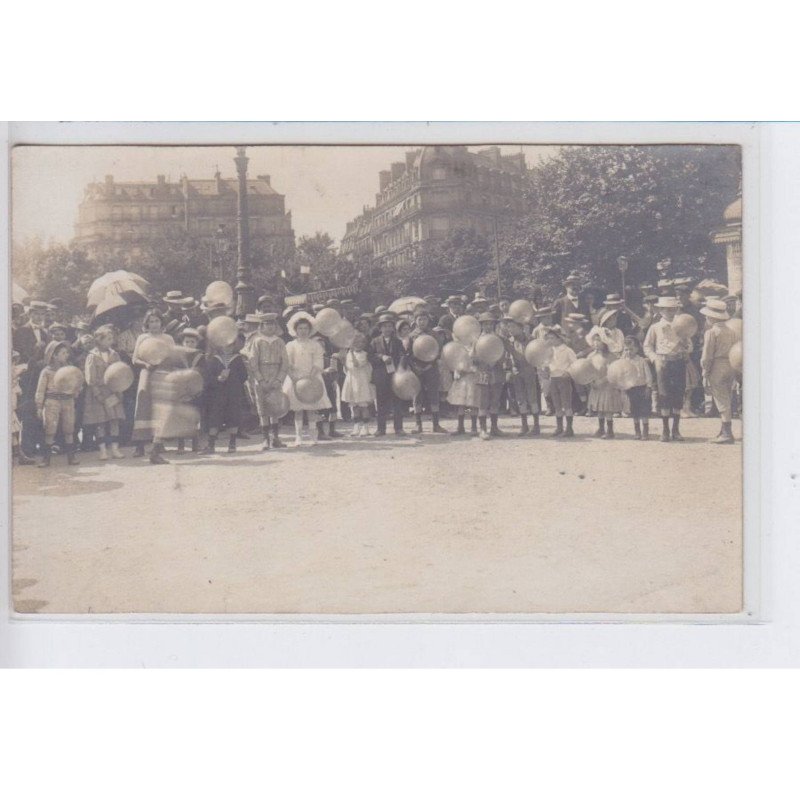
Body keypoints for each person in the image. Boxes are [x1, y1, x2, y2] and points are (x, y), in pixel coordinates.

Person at [643, 296, 692, 442]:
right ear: (660, 310)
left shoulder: (683, 325)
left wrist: (686, 348)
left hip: (678, 362)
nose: (670, 312)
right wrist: (654, 358)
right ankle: (665, 430)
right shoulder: (655, 327)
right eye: (667, 309)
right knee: (664, 395)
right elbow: (647, 346)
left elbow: (690, 344)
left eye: (673, 309)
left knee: (678, 394)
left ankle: (676, 429)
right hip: (662, 363)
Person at [131, 310, 176, 464]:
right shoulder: (142, 337)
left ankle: (156, 447)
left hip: (163, 373)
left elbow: (174, 357)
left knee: (162, 407)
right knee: (143, 405)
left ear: (161, 323)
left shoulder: (168, 338)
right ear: (147, 324)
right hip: (147, 372)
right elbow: (134, 358)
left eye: (157, 321)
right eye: (151, 321)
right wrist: (146, 364)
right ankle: (139, 445)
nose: (154, 324)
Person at [241, 312, 289, 450]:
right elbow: (253, 362)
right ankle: (265, 439)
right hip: (261, 377)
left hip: (275, 376)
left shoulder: (279, 342)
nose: (269, 327)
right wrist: (260, 379)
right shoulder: (257, 341)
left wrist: (279, 379)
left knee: (275, 407)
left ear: (276, 326)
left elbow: (285, 362)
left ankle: (276, 438)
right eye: (267, 324)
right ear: (262, 326)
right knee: (262, 408)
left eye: (272, 324)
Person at [283, 312, 331, 446]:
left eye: (305, 328)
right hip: (296, 379)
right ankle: (298, 437)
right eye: (300, 328)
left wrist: (311, 376)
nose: (303, 331)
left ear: (310, 330)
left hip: (312, 379)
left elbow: (318, 361)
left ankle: (313, 436)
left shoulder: (315, 345)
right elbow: (288, 363)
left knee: (311, 409)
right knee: (298, 410)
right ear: (295, 330)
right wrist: (295, 378)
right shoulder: (291, 345)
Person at [83, 325, 127, 460]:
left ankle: (115, 449)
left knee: (114, 420)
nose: (111, 341)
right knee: (100, 422)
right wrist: (97, 394)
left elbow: (120, 372)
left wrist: (119, 391)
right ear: (99, 340)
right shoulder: (92, 356)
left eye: (111, 338)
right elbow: (90, 378)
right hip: (99, 393)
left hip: (112, 391)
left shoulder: (115, 354)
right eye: (108, 338)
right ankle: (102, 450)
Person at [35, 341, 81, 467]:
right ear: (54, 355)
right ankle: (46, 459)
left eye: (67, 353)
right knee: (50, 429)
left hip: (67, 401)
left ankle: (71, 457)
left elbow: (77, 384)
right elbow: (40, 390)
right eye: (63, 353)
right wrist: (39, 406)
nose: (66, 355)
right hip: (52, 401)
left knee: (69, 428)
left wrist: (76, 391)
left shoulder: (70, 369)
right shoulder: (46, 371)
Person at [700, 299, 737, 444]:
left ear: (711, 317)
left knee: (721, 399)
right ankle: (724, 431)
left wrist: (705, 372)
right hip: (730, 364)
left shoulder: (711, 332)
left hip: (717, 365)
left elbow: (706, 356)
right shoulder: (731, 331)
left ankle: (727, 433)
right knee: (727, 396)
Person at [203, 339, 249, 454]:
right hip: (217, 394)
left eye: (230, 346)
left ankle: (232, 444)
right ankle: (211, 444)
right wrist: (218, 379)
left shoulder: (237, 359)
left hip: (233, 393)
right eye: (225, 346)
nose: (227, 348)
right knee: (214, 418)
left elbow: (244, 375)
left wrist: (233, 379)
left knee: (233, 417)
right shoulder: (214, 359)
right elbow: (208, 376)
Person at [408, 307, 447, 434]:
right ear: (415, 321)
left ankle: (436, 424)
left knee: (433, 395)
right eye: (419, 319)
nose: (422, 322)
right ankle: (418, 424)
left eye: (424, 319)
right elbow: (408, 354)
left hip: (431, 368)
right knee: (417, 396)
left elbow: (438, 351)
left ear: (428, 320)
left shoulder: (434, 335)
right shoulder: (411, 336)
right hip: (416, 369)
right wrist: (415, 367)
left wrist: (430, 364)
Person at [368, 313, 407, 437]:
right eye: (384, 326)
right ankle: (381, 428)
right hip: (381, 376)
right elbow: (370, 356)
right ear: (380, 328)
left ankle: (399, 428)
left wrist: (400, 366)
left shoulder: (398, 342)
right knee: (381, 403)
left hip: (395, 376)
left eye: (390, 326)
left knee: (397, 402)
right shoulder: (374, 341)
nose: (387, 329)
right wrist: (381, 357)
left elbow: (403, 355)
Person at [500, 316, 540, 436]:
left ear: (521, 328)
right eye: (508, 327)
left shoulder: (530, 340)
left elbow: (528, 357)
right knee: (520, 399)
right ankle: (524, 425)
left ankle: (536, 425)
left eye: (512, 326)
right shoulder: (510, 341)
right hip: (516, 373)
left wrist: (511, 350)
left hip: (529, 372)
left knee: (532, 398)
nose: (510, 329)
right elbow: (506, 357)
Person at [474, 312, 506, 437]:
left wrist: (497, 360)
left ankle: (494, 427)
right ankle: (482, 429)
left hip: (496, 372)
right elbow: (472, 357)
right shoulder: (477, 339)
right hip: (482, 372)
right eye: (485, 324)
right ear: (481, 325)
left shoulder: (499, 338)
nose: (488, 326)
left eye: (490, 324)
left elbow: (503, 355)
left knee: (495, 400)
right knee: (483, 401)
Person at [175, 328, 206, 454]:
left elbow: (204, 373)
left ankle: (195, 444)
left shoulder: (200, 357)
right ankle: (181, 445)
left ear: (196, 343)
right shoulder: (178, 357)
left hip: (195, 391)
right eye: (187, 342)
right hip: (181, 391)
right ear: (182, 343)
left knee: (194, 418)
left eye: (192, 342)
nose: (189, 344)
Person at [587, 337, 624, 439]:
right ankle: (601, 428)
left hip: (608, 385)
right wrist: (591, 381)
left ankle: (610, 430)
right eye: (595, 340)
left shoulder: (611, 357)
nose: (596, 343)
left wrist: (602, 381)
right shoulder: (591, 356)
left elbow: (613, 372)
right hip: (596, 385)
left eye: (599, 341)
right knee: (600, 408)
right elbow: (587, 369)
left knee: (607, 408)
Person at [543, 326, 576, 437]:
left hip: (563, 379)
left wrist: (568, 372)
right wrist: (545, 367)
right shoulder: (550, 350)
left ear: (560, 338)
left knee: (566, 404)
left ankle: (569, 429)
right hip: (553, 378)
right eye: (549, 338)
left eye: (553, 338)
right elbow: (546, 363)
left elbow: (574, 364)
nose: (550, 340)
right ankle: (559, 427)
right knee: (557, 404)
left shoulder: (567, 350)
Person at [341, 332, 375, 437]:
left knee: (363, 406)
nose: (358, 345)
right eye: (355, 343)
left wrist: (351, 353)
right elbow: (347, 369)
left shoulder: (364, 354)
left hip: (361, 382)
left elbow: (356, 365)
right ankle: (356, 426)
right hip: (352, 381)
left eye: (360, 343)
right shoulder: (348, 354)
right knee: (354, 406)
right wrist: (343, 360)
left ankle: (366, 428)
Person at [620, 336, 653, 440]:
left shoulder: (641, 361)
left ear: (637, 349)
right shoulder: (624, 361)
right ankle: (637, 432)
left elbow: (648, 375)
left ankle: (645, 431)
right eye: (626, 349)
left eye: (631, 349)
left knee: (644, 410)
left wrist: (649, 387)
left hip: (642, 388)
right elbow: (620, 374)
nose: (629, 352)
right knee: (634, 410)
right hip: (631, 388)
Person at [11, 351, 35, 465]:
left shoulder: (14, 372)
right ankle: (19, 456)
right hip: (7, 407)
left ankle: (20, 455)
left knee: (14, 432)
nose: (14, 363)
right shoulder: (11, 372)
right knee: (12, 431)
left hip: (11, 407)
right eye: (13, 361)